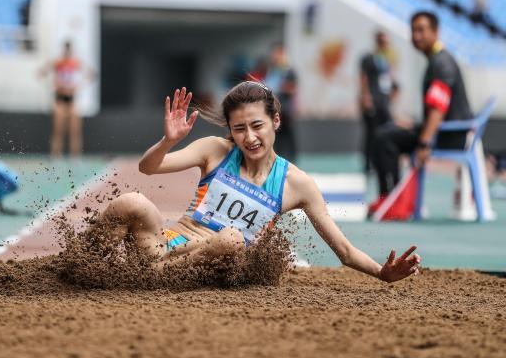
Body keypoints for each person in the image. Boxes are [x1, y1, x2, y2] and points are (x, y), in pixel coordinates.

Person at [86, 83, 421, 283]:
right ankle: (82, 269)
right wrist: (167, 141)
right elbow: (148, 168)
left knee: (231, 239)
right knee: (132, 201)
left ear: (276, 121)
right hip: (166, 247)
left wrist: (381, 272)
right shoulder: (216, 151)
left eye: (257, 126)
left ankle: (148, 279)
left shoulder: (297, 184)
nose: (250, 138)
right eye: (239, 129)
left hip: (206, 268)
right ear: (229, 130)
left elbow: (344, 251)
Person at [370, 11, 473, 211]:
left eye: (422, 30)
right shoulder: (437, 60)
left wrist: (424, 143)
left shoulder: (441, 63)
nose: (416, 36)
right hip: (445, 131)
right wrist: (416, 125)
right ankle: (392, 197)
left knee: (384, 137)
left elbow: (438, 108)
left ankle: (392, 200)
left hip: (448, 136)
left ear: (435, 32)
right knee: (390, 131)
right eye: (413, 30)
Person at [40, 40, 95, 157]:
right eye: (66, 49)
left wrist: (79, 85)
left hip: (72, 99)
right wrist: (53, 85)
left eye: (69, 50)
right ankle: (55, 155)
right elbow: (41, 73)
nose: (67, 52)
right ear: (63, 50)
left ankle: (75, 157)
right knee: (58, 129)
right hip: (59, 99)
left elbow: (92, 74)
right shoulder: (57, 62)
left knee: (75, 130)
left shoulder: (75, 62)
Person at [359, 30, 396, 173]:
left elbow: (389, 77)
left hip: (383, 101)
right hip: (373, 100)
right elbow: (363, 78)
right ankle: (368, 163)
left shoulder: (386, 59)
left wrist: (392, 92)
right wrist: (366, 97)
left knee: (384, 132)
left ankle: (381, 161)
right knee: (370, 134)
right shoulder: (369, 58)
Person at [264, 43, 299, 161]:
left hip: (286, 111)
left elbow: (292, 88)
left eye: (278, 53)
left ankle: (291, 163)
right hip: (274, 109)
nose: (275, 56)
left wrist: (281, 88)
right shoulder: (272, 71)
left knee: (288, 139)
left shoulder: (289, 71)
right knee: (276, 138)